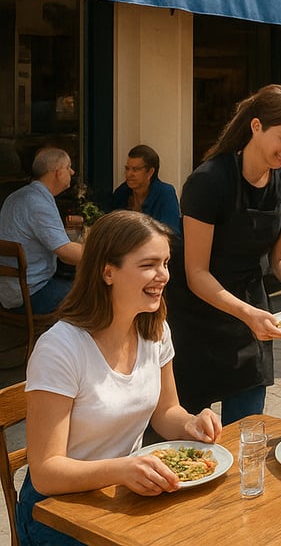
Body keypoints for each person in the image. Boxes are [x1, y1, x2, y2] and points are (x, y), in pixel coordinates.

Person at [19, 211, 222, 546]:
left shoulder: (153, 328)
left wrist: (191, 424)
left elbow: (166, 411)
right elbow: (45, 472)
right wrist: (123, 469)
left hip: (123, 496)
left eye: (166, 263)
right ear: (107, 272)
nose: (163, 276)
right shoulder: (60, 347)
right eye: (148, 265)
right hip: (56, 511)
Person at [168, 84, 281, 423]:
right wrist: (247, 313)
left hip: (251, 314)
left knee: (247, 429)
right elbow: (196, 272)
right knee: (196, 438)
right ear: (256, 127)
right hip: (197, 318)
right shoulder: (209, 181)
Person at [0, 147, 83, 315]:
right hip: (31, 295)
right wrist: (105, 251)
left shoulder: (16, 196)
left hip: (9, 291)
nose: (72, 172)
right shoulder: (38, 203)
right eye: (68, 167)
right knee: (95, 291)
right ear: (58, 172)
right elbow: (67, 254)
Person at [110, 145, 181, 234]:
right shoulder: (122, 192)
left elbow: (171, 232)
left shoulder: (165, 192)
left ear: (150, 172)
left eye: (135, 169)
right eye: (127, 168)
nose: (129, 174)